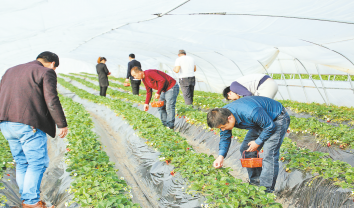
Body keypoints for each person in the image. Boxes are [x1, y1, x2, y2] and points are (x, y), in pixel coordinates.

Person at [0, 51, 68, 208]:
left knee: (22, 162)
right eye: (55, 67)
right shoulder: (46, 72)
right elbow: (51, 98)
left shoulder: (10, 70)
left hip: (6, 123)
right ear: (52, 64)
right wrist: (61, 123)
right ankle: (31, 201)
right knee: (37, 163)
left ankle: (27, 199)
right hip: (28, 124)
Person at [207, 96, 290, 193]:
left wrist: (258, 142)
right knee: (246, 149)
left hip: (277, 119)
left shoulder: (250, 112)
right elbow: (225, 137)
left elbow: (269, 126)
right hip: (260, 121)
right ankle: (255, 182)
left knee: (269, 154)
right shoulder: (223, 116)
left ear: (229, 118)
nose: (223, 130)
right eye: (221, 128)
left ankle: (267, 191)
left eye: (224, 127)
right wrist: (220, 156)